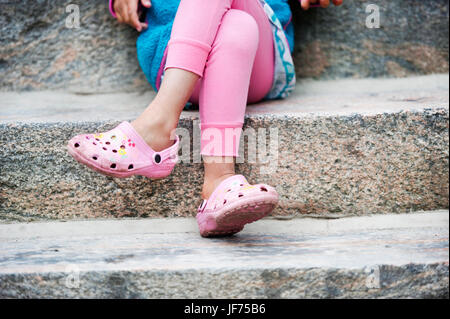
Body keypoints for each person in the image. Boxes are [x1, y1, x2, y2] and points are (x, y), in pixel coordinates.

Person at [67, 0, 343, 237]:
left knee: (243, 22)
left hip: (258, 58)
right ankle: (219, 181)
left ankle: (158, 124)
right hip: (177, 54)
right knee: (237, 24)